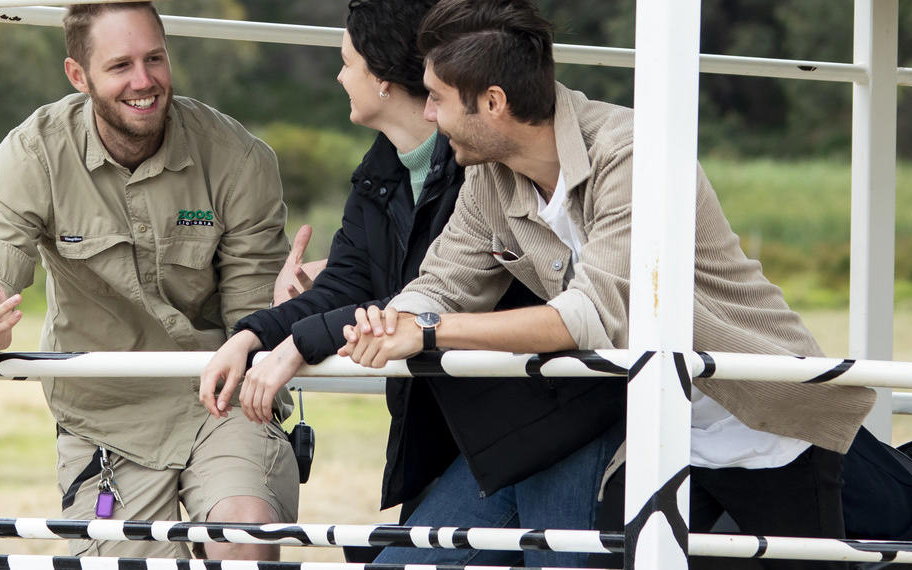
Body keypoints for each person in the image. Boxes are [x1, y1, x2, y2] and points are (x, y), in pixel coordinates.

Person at [339, 1, 875, 568]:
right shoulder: (488, 178)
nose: (427, 115)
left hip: (762, 425)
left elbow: (594, 315)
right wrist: (395, 318)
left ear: (493, 103)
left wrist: (427, 331)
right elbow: (443, 282)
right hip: (648, 429)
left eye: (438, 98)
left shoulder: (634, 153)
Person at [198, 0, 624, 567]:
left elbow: (586, 311)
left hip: (555, 418)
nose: (430, 113)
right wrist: (254, 336)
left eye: (346, 62)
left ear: (380, 79)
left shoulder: (493, 160)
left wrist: (314, 340)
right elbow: (421, 287)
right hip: (479, 436)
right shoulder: (397, 172)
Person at [0, 2, 297, 561]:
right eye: (120, 66)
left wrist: (288, 309)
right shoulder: (35, 151)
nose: (144, 81)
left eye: (154, 58)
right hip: (104, 416)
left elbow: (253, 320)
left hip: (221, 398)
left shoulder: (238, 158)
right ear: (77, 75)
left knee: (245, 534)